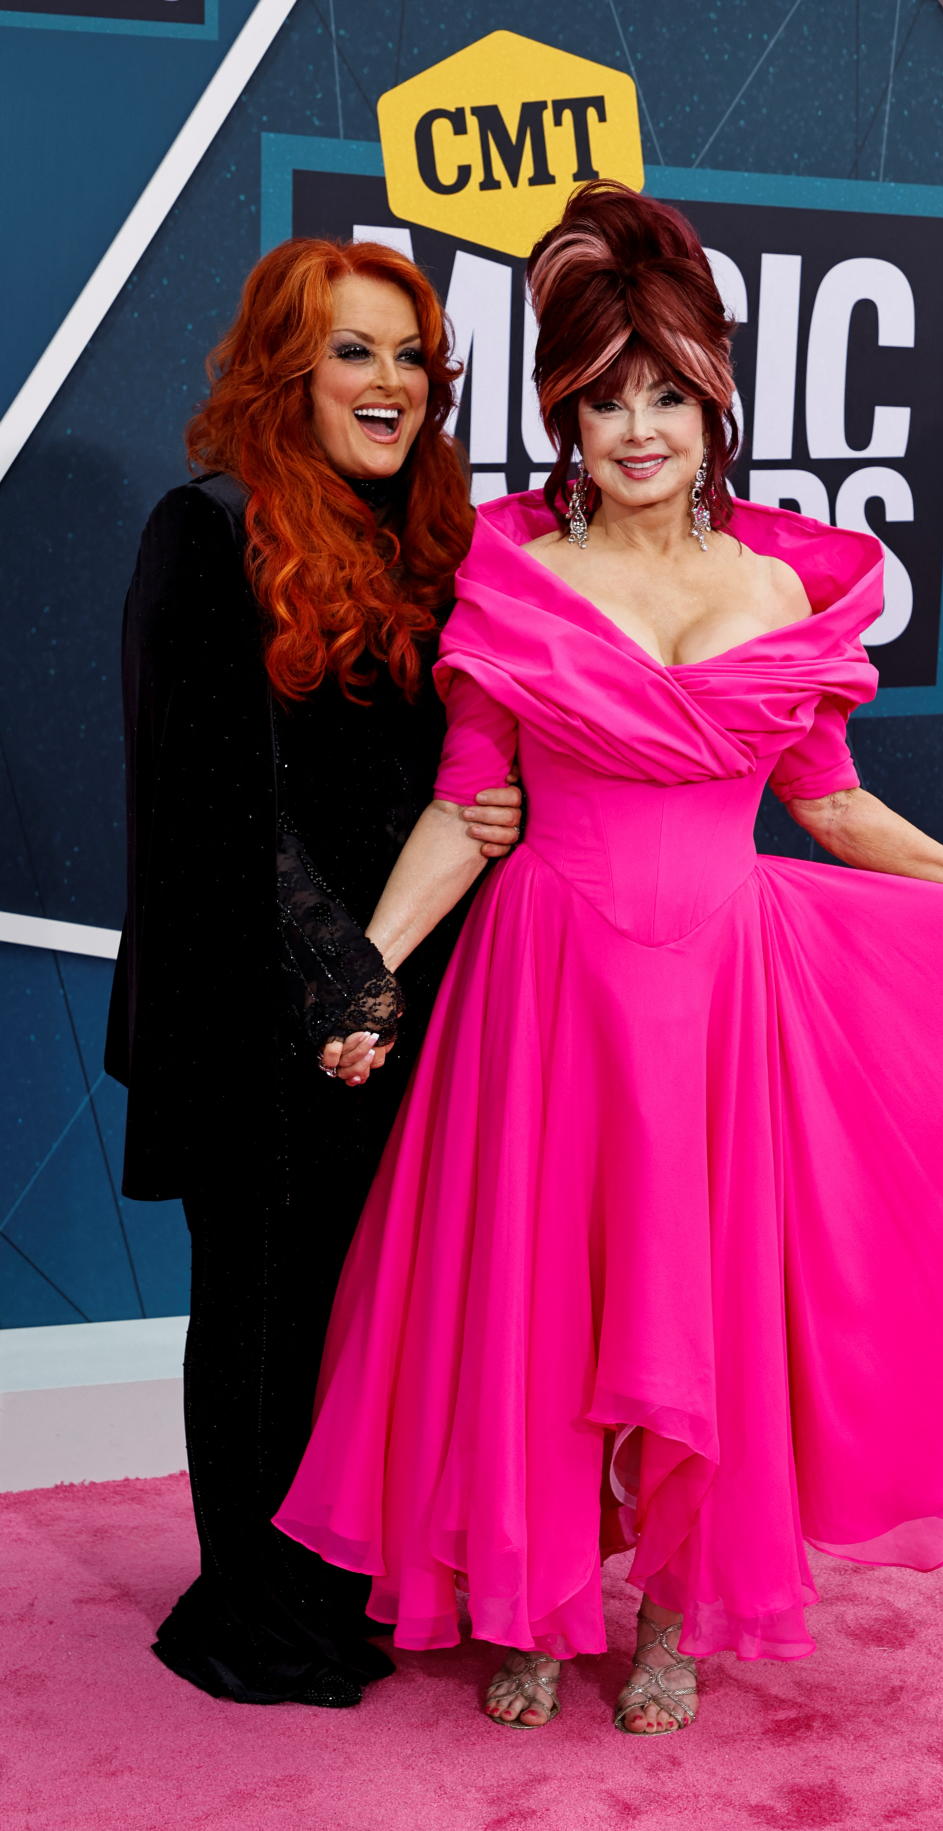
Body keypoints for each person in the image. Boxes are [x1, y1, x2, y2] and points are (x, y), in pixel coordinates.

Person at [274, 184, 943, 1734]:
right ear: (563, 415)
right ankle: (534, 1607)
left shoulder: (783, 592)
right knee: (536, 1308)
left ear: (713, 410)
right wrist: (360, 967)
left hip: (725, 997)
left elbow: (831, 809)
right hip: (544, 993)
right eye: (606, 400)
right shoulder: (512, 582)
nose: (638, 430)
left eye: (667, 399)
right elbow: (460, 810)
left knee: (708, 1313)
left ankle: (680, 1619)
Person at [104, 238, 521, 1707]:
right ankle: (249, 1612)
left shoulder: (439, 549)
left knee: (371, 1309)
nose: (391, 384)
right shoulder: (203, 530)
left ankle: (347, 1580)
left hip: (409, 991)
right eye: (355, 352)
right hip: (254, 1005)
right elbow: (206, 807)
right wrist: (340, 983)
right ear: (287, 368)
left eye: (411, 356)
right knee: (267, 1307)